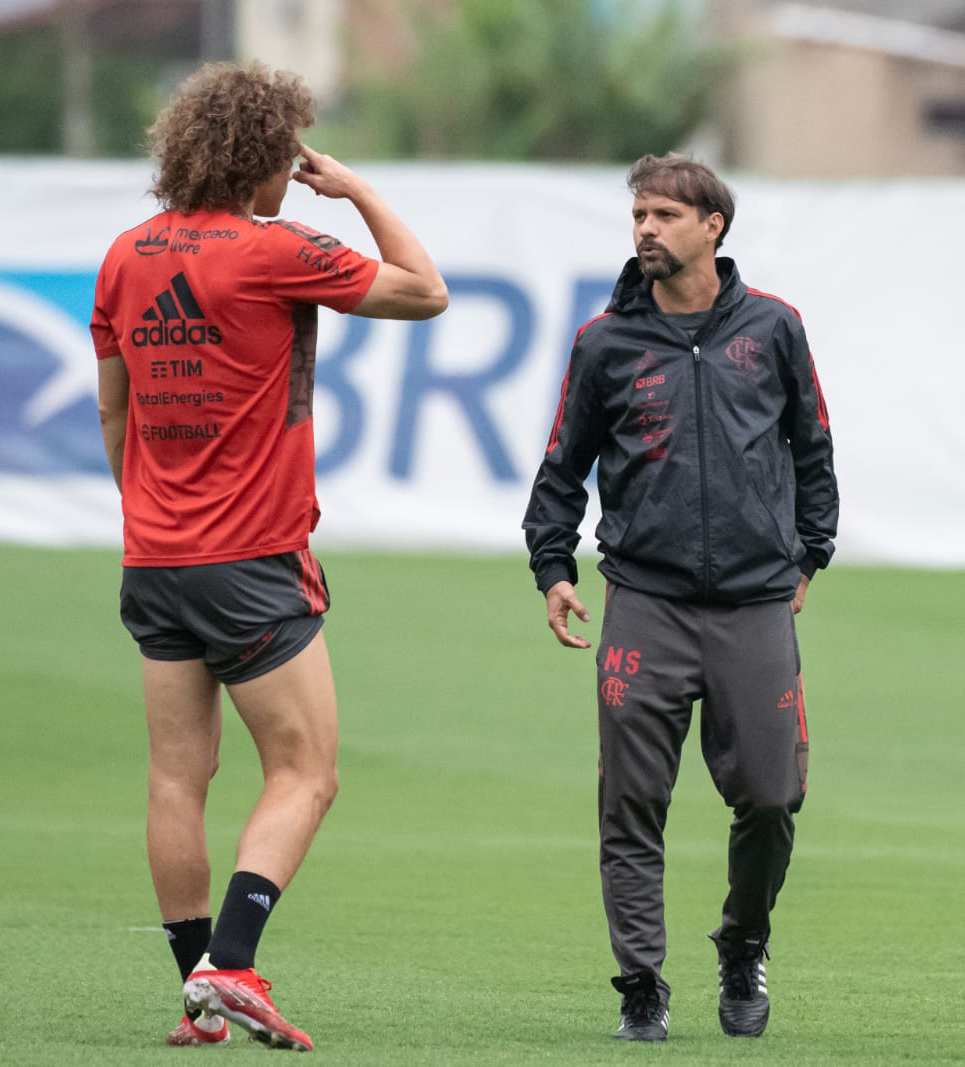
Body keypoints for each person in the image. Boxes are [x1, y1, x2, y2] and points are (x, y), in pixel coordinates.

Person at [91, 61, 447, 1050]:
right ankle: (234, 961)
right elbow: (425, 292)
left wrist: (157, 518)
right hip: (249, 560)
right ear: (266, 161)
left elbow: (115, 412)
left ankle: (197, 993)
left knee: (177, 779)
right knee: (305, 771)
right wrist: (362, 191)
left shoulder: (124, 255)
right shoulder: (274, 247)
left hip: (152, 559)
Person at [523, 153, 839, 1042]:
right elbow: (561, 468)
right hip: (645, 607)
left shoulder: (774, 329)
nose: (646, 230)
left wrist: (811, 551)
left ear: (714, 227)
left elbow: (813, 447)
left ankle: (743, 944)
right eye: (638, 215)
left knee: (774, 798)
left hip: (754, 606)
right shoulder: (604, 344)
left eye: (665, 214)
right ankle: (641, 984)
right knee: (631, 803)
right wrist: (553, 567)